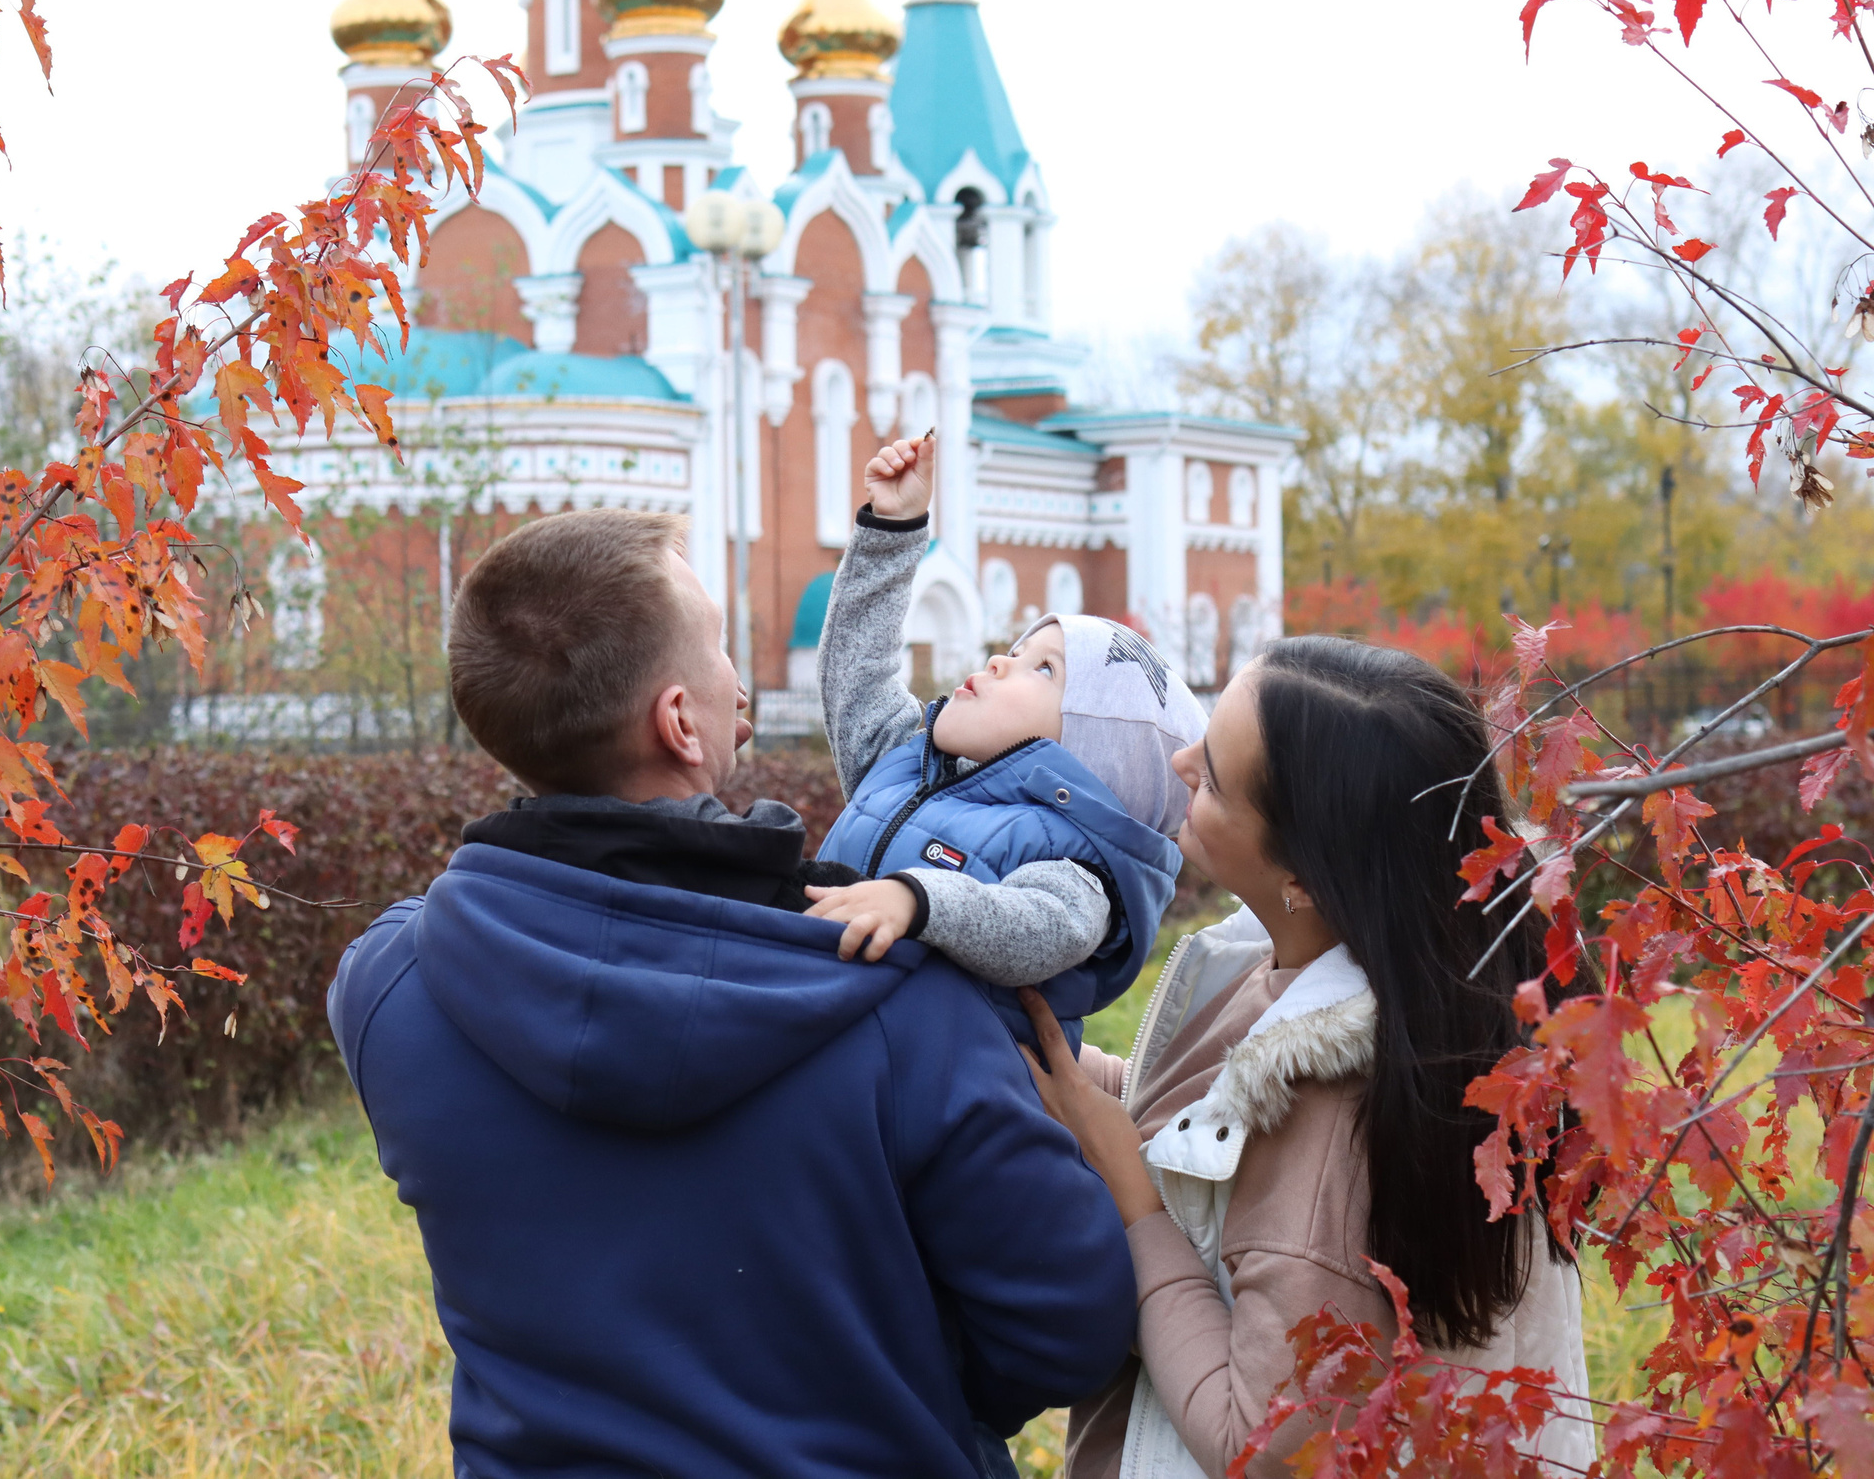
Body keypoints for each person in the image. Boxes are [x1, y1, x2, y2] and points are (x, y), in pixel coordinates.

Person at [326, 509, 1136, 1479]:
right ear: (678, 720)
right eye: (717, 646)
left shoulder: (389, 988)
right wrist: (913, 1382)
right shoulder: (904, 1007)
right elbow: (1069, 1326)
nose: (738, 681)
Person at [1017, 636, 1593, 1478]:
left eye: (1214, 775)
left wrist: (1133, 1201)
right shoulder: (1393, 969)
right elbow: (1206, 1118)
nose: (1179, 760)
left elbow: (1257, 1442)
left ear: (1306, 876)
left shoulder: (1338, 1126)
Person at [804, 435, 1204, 1055]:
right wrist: (892, 529)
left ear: (1089, 756)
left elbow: (1041, 929)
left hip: (955, 1113)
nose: (998, 661)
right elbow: (855, 675)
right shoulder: (908, 769)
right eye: (1016, 650)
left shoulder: (1074, 863)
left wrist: (918, 900)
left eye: (1042, 670)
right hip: (834, 1059)